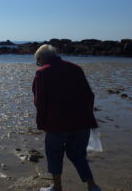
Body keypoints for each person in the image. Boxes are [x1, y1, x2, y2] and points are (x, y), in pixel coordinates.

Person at [32, 44, 101, 191]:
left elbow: (40, 102)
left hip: (56, 124)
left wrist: (41, 123)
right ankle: (93, 186)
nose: (39, 64)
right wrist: (87, 116)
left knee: (54, 155)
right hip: (82, 123)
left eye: (38, 61)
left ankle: (57, 187)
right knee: (78, 155)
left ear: (42, 58)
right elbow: (90, 95)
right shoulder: (76, 68)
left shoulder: (42, 72)